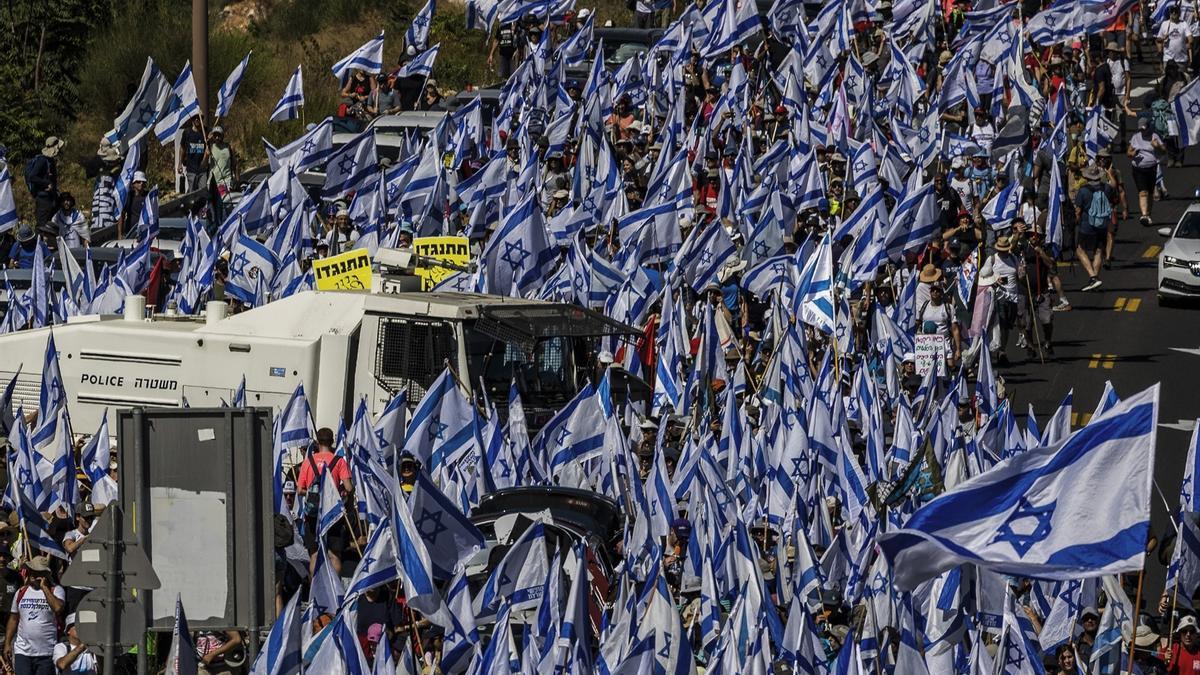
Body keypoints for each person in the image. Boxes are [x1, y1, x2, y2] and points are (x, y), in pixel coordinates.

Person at [4, 556, 66, 675]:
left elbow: (58, 608)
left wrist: (44, 588)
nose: (32, 574)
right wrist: (8, 643)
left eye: (36, 571)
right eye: (31, 570)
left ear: (45, 574)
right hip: (22, 651)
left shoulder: (56, 590)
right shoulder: (21, 592)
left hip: (47, 653)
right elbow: (13, 619)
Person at [1073, 165, 1117, 291]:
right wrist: (1109, 173)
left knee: (1080, 250)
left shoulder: (1083, 191)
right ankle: (1095, 279)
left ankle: (1093, 277)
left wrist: (1075, 222)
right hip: (1102, 224)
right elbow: (1114, 185)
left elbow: (1078, 210)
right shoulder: (1106, 188)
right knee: (1098, 251)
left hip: (1087, 226)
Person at [1128, 117, 1165, 227]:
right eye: (1141, 129)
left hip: (1151, 168)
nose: (1143, 131)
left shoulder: (1154, 137)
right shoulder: (1136, 137)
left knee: (1150, 193)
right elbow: (1129, 152)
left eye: (1144, 129)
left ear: (1149, 127)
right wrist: (1133, 153)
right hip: (1139, 169)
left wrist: (1157, 146)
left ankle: (1148, 214)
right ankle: (1144, 215)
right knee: (1142, 192)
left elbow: (1163, 151)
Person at [25, 137, 63, 230]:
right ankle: (39, 243)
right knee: (42, 226)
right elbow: (32, 177)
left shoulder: (50, 160)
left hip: (50, 197)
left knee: (50, 224)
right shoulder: (42, 160)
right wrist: (46, 183)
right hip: (43, 199)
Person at [204, 126, 236, 197]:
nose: (217, 138)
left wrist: (236, 179)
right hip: (213, 183)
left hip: (227, 181)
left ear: (222, 136)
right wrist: (206, 155)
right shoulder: (210, 147)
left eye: (219, 135)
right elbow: (204, 165)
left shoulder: (229, 147)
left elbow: (235, 164)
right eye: (215, 135)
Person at [180, 116, 208, 193]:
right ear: (191, 119)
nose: (197, 120)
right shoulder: (187, 132)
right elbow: (182, 148)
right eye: (195, 118)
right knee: (192, 193)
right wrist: (180, 164)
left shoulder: (205, 131)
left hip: (202, 170)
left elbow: (211, 142)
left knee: (203, 192)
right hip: (191, 170)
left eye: (199, 118)